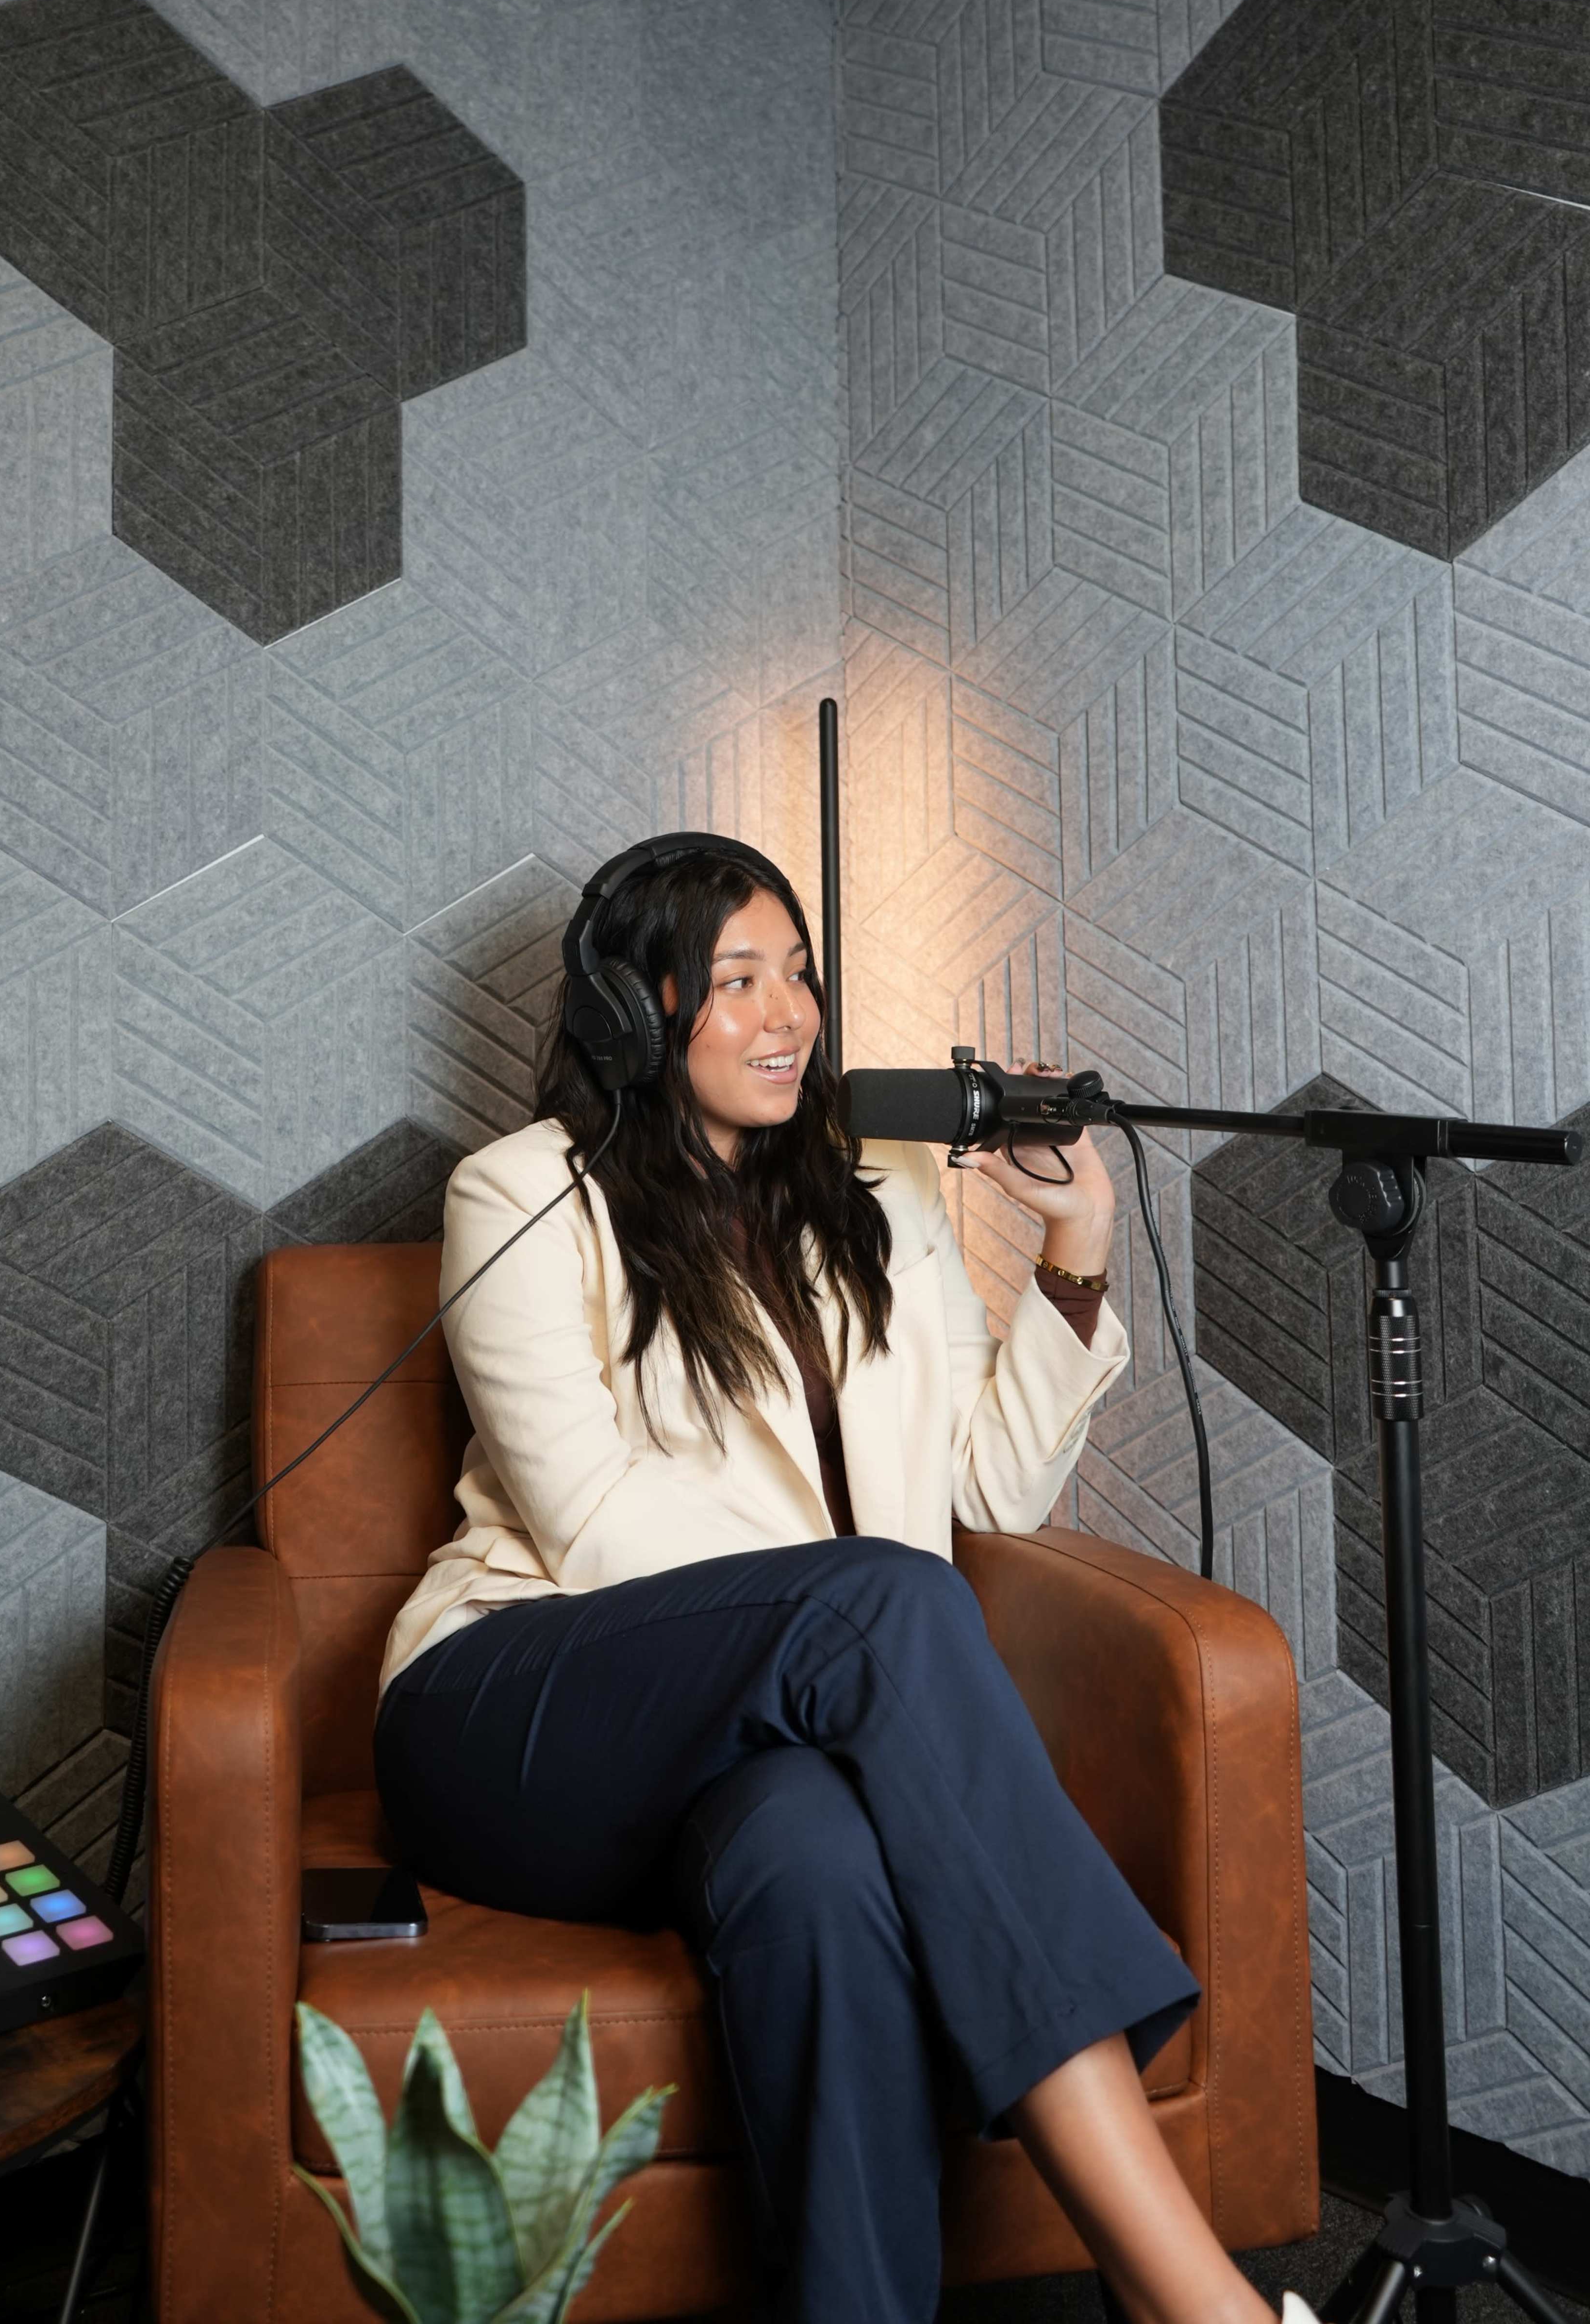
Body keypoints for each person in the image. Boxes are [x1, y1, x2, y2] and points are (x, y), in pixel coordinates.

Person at [376, 834, 1314, 2324]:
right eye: (738, 977)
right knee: (886, 1603)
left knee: (812, 1858)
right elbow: (595, 1528)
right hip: (516, 1707)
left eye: (800, 973)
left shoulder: (880, 1188)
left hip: (766, 1741)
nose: (789, 1012)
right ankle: (1195, 2300)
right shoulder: (526, 1193)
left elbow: (989, 1489)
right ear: (633, 1010)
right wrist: (846, 1622)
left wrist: (1075, 1245)